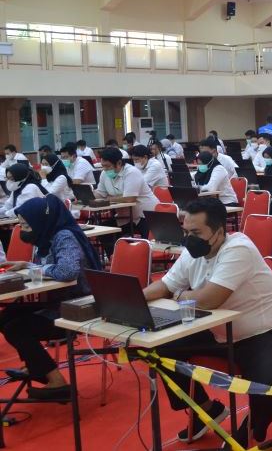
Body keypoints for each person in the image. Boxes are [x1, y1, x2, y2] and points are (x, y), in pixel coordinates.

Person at [142, 197, 272, 445]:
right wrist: (136, 298)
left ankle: (252, 428)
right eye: (186, 232)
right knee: (159, 348)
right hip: (215, 330)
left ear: (219, 232)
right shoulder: (193, 252)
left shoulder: (238, 249)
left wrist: (179, 296)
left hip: (261, 332)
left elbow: (211, 299)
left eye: (196, 233)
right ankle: (206, 409)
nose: (189, 238)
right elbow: (166, 285)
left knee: (268, 387)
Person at [0, 195, 103, 401]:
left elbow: (67, 271)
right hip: (57, 301)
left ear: (40, 221)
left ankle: (57, 381)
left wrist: (36, 269)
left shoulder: (64, 236)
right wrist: (28, 266)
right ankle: (36, 365)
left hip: (77, 306)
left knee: (16, 327)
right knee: (6, 316)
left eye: (26, 225)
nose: (24, 230)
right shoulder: (46, 235)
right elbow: (50, 268)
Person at [94, 147, 158, 248]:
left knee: (147, 245)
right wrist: (87, 196)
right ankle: (114, 256)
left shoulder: (131, 172)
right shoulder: (104, 173)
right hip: (125, 216)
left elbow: (129, 198)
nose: (105, 169)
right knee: (103, 231)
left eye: (108, 166)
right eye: (103, 166)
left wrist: (109, 198)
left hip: (146, 215)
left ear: (119, 163)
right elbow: (100, 193)